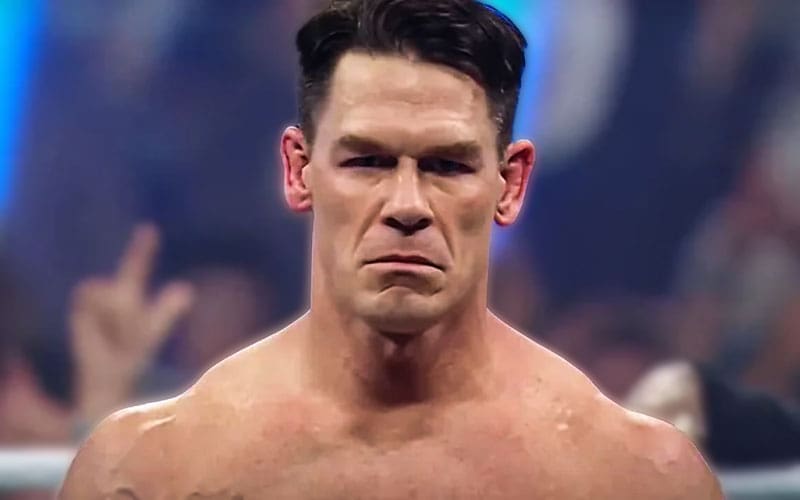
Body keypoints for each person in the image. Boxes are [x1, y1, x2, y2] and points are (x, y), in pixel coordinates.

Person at [60, 1, 723, 498]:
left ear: (511, 183)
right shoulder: (151, 471)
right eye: (368, 161)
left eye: (448, 165)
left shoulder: (635, 478)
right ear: (299, 170)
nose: (407, 205)